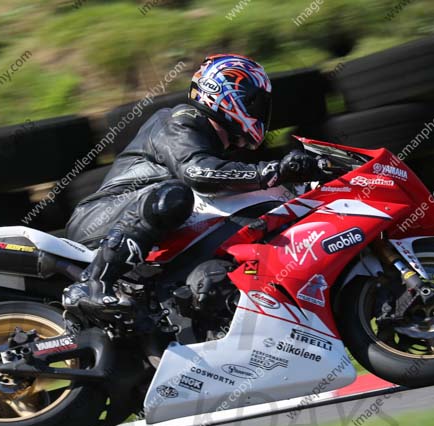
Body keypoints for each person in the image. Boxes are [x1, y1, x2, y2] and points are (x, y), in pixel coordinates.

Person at [63, 54, 320, 316]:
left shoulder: (216, 147)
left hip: (143, 224)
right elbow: (197, 172)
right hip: (100, 219)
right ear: (226, 93)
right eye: (254, 102)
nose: (260, 112)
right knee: (174, 196)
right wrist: (274, 171)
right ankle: (93, 283)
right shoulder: (180, 120)